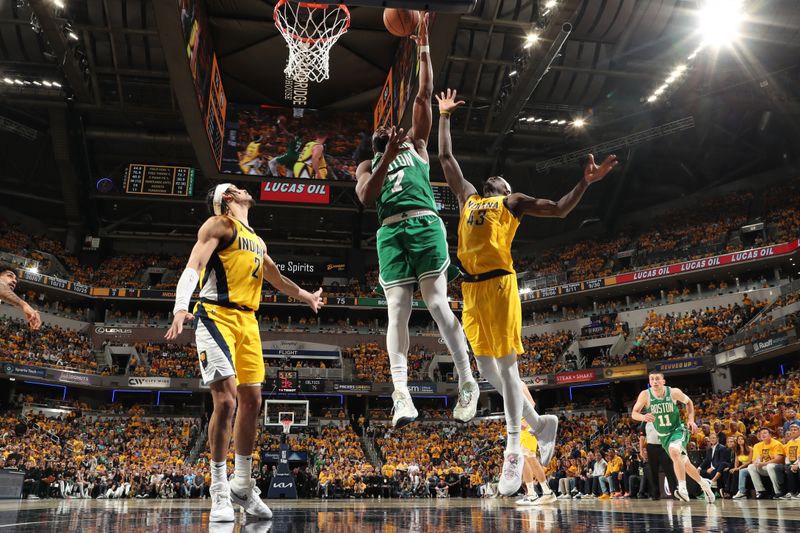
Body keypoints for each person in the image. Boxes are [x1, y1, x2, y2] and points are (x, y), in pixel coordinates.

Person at [436, 87, 618, 494]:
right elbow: (446, 159)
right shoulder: (468, 199)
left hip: (500, 286)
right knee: (485, 371)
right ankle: (541, 423)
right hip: (471, 290)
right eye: (491, 179)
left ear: (504, 188)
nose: (493, 180)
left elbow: (559, 209)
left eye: (498, 180)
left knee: (508, 368)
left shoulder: (512, 202)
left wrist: (585, 183)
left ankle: (514, 449)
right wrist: (445, 116)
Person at [165, 183, 323, 522]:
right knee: (226, 401)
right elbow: (194, 265)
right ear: (226, 199)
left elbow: (276, 277)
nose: (243, 189)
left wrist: (307, 295)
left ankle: (243, 483)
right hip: (216, 315)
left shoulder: (257, 239)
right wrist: (180, 307)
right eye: (235, 188)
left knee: (253, 401)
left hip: (248, 322)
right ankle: (219, 489)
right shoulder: (218, 225)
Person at [355, 16, 478, 428]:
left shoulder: (418, 145)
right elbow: (366, 197)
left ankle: (467, 381)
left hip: (424, 223)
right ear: (375, 143)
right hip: (390, 231)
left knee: (438, 304)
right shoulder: (368, 166)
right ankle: (401, 395)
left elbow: (423, 94)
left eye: (393, 128)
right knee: (396, 310)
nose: (390, 128)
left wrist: (422, 43)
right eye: (383, 132)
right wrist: (384, 157)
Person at [631, 371, 716, 503]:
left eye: (657, 379)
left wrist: (691, 419)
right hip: (663, 436)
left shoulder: (673, 392)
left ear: (663, 381)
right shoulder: (645, 395)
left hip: (678, 430)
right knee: (684, 463)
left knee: (674, 451)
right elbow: (634, 413)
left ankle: (682, 489)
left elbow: (689, 403)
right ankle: (704, 484)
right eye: (652, 379)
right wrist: (643, 416)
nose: (654, 381)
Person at [516, 383, 556, 506]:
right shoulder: (508, 385)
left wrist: (527, 421)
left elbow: (531, 403)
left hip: (527, 424)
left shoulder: (519, 383)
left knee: (530, 457)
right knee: (524, 459)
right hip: (519, 426)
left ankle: (547, 492)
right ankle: (531, 494)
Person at [735, 427, 785, 499]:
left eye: (765, 433)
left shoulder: (776, 444)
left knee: (770, 466)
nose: (762, 435)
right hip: (764, 467)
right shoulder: (757, 445)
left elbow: (779, 459)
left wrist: (763, 463)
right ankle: (761, 491)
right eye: (761, 433)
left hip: (776, 466)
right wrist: (757, 463)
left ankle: (778, 492)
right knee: (751, 467)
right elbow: (755, 460)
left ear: (770, 435)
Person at [783, 422, 800, 498]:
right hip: (792, 462)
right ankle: (791, 492)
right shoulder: (789, 442)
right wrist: (789, 464)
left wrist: (796, 464)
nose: (793, 431)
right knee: (786, 468)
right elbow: (787, 456)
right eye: (791, 430)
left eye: (795, 430)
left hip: (798, 461)